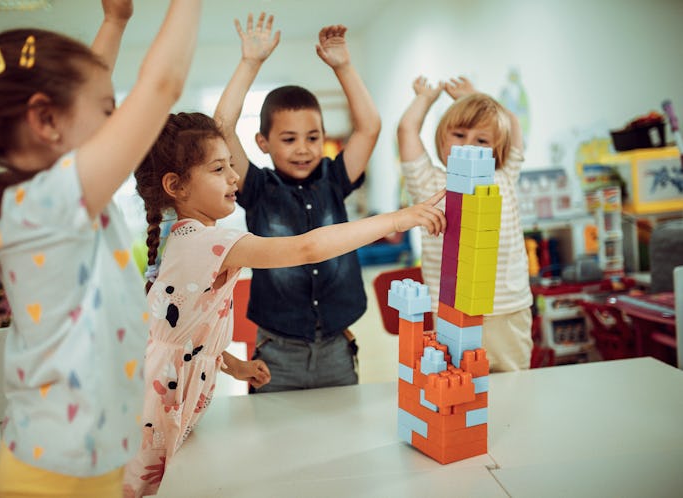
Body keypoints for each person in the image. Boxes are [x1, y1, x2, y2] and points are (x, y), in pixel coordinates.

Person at [0, 0, 202, 495]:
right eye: (108, 111)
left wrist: (115, 22)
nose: (118, 124)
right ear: (45, 120)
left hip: (87, 465)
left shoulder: (49, 197)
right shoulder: (45, 204)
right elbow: (162, 84)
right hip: (54, 479)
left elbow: (77, 103)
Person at [123, 111, 445, 496]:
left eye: (231, 165)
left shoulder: (186, 238)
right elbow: (307, 247)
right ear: (176, 185)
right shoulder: (204, 241)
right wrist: (395, 221)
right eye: (217, 169)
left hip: (165, 393)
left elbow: (176, 330)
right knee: (148, 488)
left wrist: (229, 363)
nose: (233, 177)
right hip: (158, 405)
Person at [214, 13, 382, 392]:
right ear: (263, 143)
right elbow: (222, 126)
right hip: (277, 354)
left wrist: (344, 67)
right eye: (289, 139)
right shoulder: (256, 187)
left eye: (313, 137)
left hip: (338, 348)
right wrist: (250, 63)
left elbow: (370, 126)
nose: (303, 150)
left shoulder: (334, 180)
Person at [396, 75, 533, 372]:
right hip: (450, 311)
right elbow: (406, 130)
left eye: (482, 140)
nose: (468, 146)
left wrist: (475, 97)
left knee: (512, 384)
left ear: (497, 148)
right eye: (459, 135)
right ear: (442, 138)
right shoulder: (430, 182)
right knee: (456, 387)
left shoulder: (505, 175)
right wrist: (425, 99)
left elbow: (513, 126)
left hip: (508, 309)